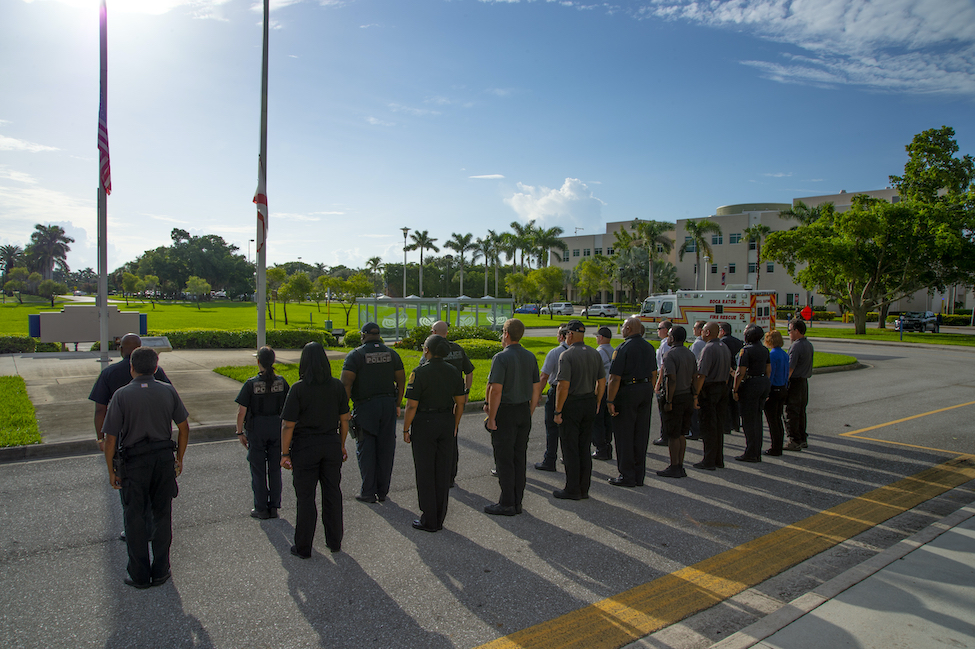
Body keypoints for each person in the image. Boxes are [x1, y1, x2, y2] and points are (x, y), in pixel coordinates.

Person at [102, 347, 189, 589]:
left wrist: (111, 470)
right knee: (162, 515)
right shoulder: (168, 391)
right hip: (162, 459)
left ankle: (139, 573)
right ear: (155, 368)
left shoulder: (121, 395)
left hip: (134, 462)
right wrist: (179, 458)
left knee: (134, 517)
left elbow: (110, 438)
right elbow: (183, 428)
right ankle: (161, 569)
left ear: (131, 367)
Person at [89, 332, 170, 542]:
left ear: (121, 349)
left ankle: (132, 529)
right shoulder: (156, 371)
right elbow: (168, 399)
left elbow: (100, 410)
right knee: (153, 488)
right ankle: (152, 527)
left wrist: (101, 438)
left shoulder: (109, 374)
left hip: (123, 442)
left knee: (129, 490)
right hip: (154, 439)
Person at [281, 342, 350, 558]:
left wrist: (284, 453)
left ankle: (303, 547)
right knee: (332, 493)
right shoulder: (337, 386)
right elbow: (344, 420)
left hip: (305, 447)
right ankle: (335, 540)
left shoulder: (299, 389)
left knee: (306, 497)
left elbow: (288, 425)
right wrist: (341, 444)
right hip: (330, 444)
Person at [402, 335, 466, 532]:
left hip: (424, 424)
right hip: (446, 422)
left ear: (426, 350)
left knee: (425, 471)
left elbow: (412, 405)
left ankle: (428, 518)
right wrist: (455, 424)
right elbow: (460, 402)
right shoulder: (454, 371)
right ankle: (439, 517)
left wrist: (406, 428)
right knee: (442, 471)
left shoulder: (419, 372)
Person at [341, 322, 406, 503]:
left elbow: (346, 384)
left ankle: (368, 491)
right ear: (379, 336)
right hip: (388, 405)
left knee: (366, 448)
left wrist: (344, 410)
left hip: (365, 407)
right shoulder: (392, 354)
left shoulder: (355, 355)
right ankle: (383, 491)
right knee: (386, 448)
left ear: (363, 335)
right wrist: (397, 403)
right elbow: (401, 381)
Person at [483, 319, 542, 516]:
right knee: (519, 457)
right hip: (523, 410)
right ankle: (517, 501)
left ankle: (506, 502)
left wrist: (492, 417)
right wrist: (530, 410)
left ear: (506, 334)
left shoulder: (501, 358)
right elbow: (536, 389)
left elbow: (496, 390)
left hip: (506, 412)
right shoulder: (530, 356)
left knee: (504, 458)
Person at [551, 320, 605, 500]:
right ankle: (584, 488)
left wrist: (558, 411)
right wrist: (597, 400)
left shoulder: (567, 355)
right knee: (584, 446)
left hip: (572, 403)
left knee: (570, 447)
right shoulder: (594, 353)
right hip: (589, 400)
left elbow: (563, 386)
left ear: (571, 335)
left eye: (566, 334)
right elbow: (602, 381)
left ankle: (572, 488)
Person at [235, 346, 289, 520]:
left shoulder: (251, 384)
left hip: (256, 428)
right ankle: (274, 506)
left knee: (258, 470)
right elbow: (289, 407)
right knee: (275, 469)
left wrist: (239, 432)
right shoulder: (281, 382)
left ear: (258, 362)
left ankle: (261, 507)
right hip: (277, 427)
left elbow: (241, 411)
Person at [606, 316, 657, 487]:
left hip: (627, 391)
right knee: (641, 434)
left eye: (623, 327)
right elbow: (654, 373)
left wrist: (610, 400)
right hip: (645, 389)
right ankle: (638, 475)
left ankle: (626, 475)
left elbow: (614, 378)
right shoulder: (649, 347)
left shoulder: (623, 348)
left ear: (628, 329)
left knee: (624, 434)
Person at [429, 321, 474, 487]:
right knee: (452, 437)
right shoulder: (457, 348)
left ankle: (438, 476)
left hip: (436, 403)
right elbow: (469, 371)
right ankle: (450, 476)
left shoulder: (431, 349)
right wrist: (466, 391)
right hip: (456, 402)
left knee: (435, 442)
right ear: (446, 333)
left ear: (433, 332)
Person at [656, 325, 696, 478]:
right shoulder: (690, 354)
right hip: (687, 394)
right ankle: (680, 464)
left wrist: (668, 400)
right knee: (682, 433)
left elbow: (671, 379)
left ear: (673, 338)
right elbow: (694, 375)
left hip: (676, 396)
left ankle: (674, 465)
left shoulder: (670, 355)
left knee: (673, 433)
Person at [692, 322, 731, 470]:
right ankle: (717, 458)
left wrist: (695, 394)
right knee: (718, 425)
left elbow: (702, 374)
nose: (701, 332)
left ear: (707, 333)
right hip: (722, 387)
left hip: (710, 388)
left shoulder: (708, 348)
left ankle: (708, 460)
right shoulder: (724, 347)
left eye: (703, 330)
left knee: (708, 426)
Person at [732, 325, 771, 462]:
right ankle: (756, 451)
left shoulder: (745, 351)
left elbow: (740, 372)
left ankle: (751, 452)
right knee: (757, 419)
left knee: (748, 420)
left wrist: (735, 389)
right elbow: (768, 369)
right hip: (763, 382)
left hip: (750, 385)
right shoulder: (764, 350)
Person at [534, 325, 569, 472]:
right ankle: (568, 457)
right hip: (575, 394)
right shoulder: (583, 352)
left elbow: (544, 376)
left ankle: (550, 459)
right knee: (569, 429)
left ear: (561, 336)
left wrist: (536, 396)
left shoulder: (555, 352)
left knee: (552, 428)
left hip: (556, 392)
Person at [784, 319, 814, 451]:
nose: (789, 333)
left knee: (791, 412)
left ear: (796, 331)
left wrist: (783, 384)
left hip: (795, 382)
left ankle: (794, 440)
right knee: (801, 411)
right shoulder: (808, 344)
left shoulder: (796, 346)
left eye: (789, 330)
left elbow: (790, 368)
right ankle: (802, 438)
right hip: (803, 382)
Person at [763, 329, 789, 456]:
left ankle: (775, 447)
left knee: (772, 420)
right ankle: (778, 445)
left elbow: (770, 374)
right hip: (783, 387)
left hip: (774, 389)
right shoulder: (784, 354)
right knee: (778, 419)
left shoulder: (772, 355)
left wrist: (766, 391)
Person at [591, 326, 615, 461]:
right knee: (608, 419)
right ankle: (607, 444)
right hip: (611, 388)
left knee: (598, 419)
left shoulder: (598, 352)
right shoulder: (614, 351)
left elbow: (595, 374)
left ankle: (600, 447)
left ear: (600, 338)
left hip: (601, 387)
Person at [718, 322, 743, 434]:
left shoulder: (721, 343)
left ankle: (726, 425)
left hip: (727, 372)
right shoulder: (738, 342)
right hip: (736, 372)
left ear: (722, 331)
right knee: (735, 400)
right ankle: (736, 423)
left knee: (726, 400)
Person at [652, 320, 673, 447]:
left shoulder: (666, 344)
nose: (658, 330)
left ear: (666, 330)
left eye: (659, 328)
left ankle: (665, 435)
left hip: (663, 376)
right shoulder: (664, 343)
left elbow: (664, 365)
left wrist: (658, 382)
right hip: (664, 375)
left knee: (663, 409)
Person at [686, 320, 707, 441]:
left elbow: (693, 362)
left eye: (694, 327)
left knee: (695, 405)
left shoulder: (697, 344)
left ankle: (694, 430)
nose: (693, 330)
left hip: (698, 377)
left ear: (700, 330)